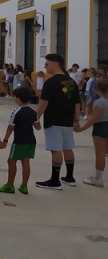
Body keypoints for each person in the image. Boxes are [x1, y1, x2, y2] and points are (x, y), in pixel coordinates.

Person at [35, 53, 80, 190]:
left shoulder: (50, 82)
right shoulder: (71, 82)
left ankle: (55, 180)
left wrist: (35, 118)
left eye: (47, 63)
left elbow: (43, 102)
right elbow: (77, 102)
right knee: (67, 147)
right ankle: (70, 177)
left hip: (54, 119)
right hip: (67, 120)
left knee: (55, 149)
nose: (45, 66)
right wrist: (76, 120)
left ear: (55, 64)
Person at [0, 87, 41, 194]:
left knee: (11, 161)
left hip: (19, 141)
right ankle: (24, 186)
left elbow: (10, 127)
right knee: (26, 162)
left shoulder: (15, 112)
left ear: (19, 99)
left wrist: (5, 140)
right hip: (31, 140)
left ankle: (10, 185)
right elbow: (38, 126)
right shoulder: (33, 112)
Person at [74, 78, 108, 187]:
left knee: (100, 154)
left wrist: (81, 129)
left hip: (100, 128)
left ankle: (98, 178)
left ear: (96, 88)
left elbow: (94, 119)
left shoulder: (98, 102)